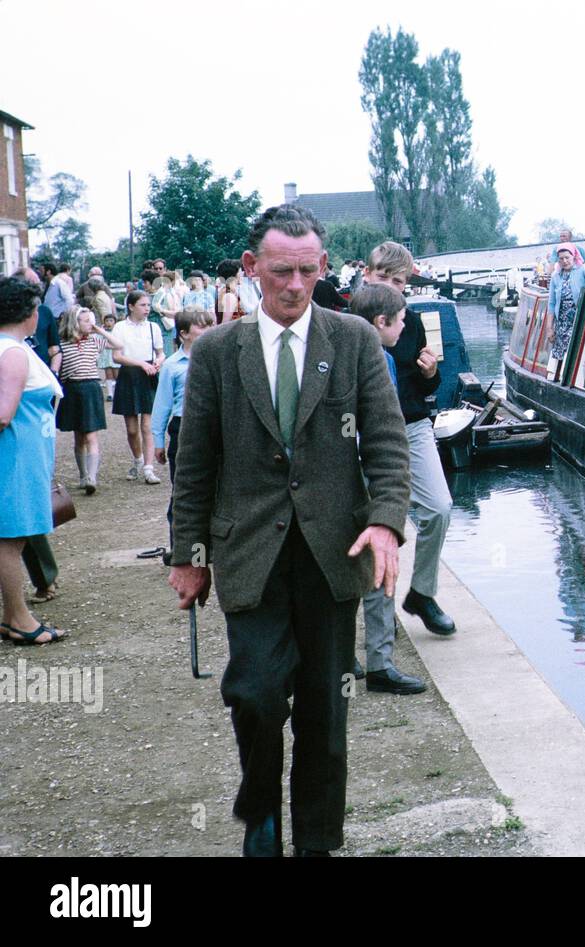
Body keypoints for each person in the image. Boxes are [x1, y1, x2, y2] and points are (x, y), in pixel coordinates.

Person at [168, 204, 410, 857]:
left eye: (307, 270)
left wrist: (387, 523)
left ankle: (317, 841)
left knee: (326, 710)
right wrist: (188, 555)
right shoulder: (218, 352)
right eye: (281, 272)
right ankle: (259, 811)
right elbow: (194, 465)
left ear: (323, 267)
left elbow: (387, 446)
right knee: (255, 691)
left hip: (334, 552)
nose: (295, 285)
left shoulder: (355, 339)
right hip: (249, 552)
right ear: (253, 269)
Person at [359, 242, 458, 649]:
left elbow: (428, 387)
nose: (391, 286)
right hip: (362, 432)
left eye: (399, 281)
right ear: (367, 274)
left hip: (411, 425)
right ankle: (379, 617)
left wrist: (431, 371)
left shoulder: (411, 322)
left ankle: (421, 593)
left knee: (439, 508)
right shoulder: (342, 319)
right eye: (384, 277)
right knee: (374, 522)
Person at [349, 278, 435, 695]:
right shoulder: (377, 358)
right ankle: (380, 663)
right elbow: (384, 426)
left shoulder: (333, 347)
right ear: (381, 321)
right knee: (381, 565)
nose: (405, 328)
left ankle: (345, 657)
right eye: (400, 320)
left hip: (338, 475)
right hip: (368, 473)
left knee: (343, 564)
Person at [0, 276, 68, 646]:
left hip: (23, 458)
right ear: (29, 313)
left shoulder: (12, 348)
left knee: (15, 537)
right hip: (14, 459)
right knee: (10, 539)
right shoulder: (10, 351)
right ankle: (20, 618)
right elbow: (3, 414)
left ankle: (12, 616)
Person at [151, 308, 209, 563]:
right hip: (182, 426)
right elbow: (162, 405)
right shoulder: (172, 366)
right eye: (201, 327)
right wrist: (158, 441)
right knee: (183, 489)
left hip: (211, 425)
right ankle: (182, 549)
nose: (208, 331)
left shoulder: (219, 359)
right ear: (184, 334)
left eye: (210, 325)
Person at [51, 306, 123, 494]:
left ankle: (92, 477)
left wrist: (99, 329)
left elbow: (118, 344)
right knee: (79, 436)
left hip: (91, 387)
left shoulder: (94, 341)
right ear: (75, 323)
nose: (89, 324)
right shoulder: (62, 344)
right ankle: (83, 475)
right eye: (85, 321)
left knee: (91, 434)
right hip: (72, 389)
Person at [112, 289, 165, 484]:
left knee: (147, 426)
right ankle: (138, 459)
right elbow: (117, 356)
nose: (147, 309)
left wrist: (159, 361)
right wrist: (140, 363)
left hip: (148, 376)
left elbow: (161, 352)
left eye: (148, 305)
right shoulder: (119, 327)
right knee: (132, 429)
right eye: (143, 305)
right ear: (131, 306)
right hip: (129, 375)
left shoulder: (153, 327)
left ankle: (149, 468)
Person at [547, 242, 585, 379]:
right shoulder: (556, 276)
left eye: (567, 258)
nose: (564, 261)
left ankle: (580, 378)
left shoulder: (583, 269)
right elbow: (551, 304)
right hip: (562, 323)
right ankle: (562, 378)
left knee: (580, 350)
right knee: (563, 354)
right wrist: (549, 328)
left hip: (580, 319)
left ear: (574, 256)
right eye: (561, 259)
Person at [150, 273, 180, 356]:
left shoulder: (171, 291)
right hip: (164, 323)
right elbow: (155, 305)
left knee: (172, 346)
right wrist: (164, 312)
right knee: (166, 349)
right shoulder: (162, 291)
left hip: (171, 322)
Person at [98, 312, 119, 400]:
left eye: (111, 320)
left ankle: (119, 393)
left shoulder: (117, 331)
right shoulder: (102, 332)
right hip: (106, 355)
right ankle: (110, 394)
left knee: (117, 374)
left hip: (115, 354)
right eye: (107, 321)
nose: (109, 323)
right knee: (108, 374)